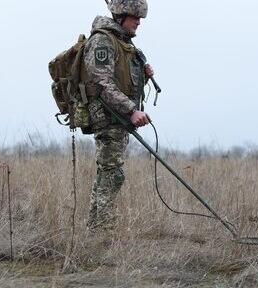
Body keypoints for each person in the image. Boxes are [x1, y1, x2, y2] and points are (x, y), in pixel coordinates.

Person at [83, 0, 154, 232]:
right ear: (121, 15)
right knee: (113, 175)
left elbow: (123, 79)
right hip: (108, 117)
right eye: (135, 17)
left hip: (118, 118)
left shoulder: (124, 43)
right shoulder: (102, 40)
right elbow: (102, 83)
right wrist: (131, 110)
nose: (139, 22)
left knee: (108, 173)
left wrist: (142, 72)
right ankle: (104, 232)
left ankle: (93, 231)